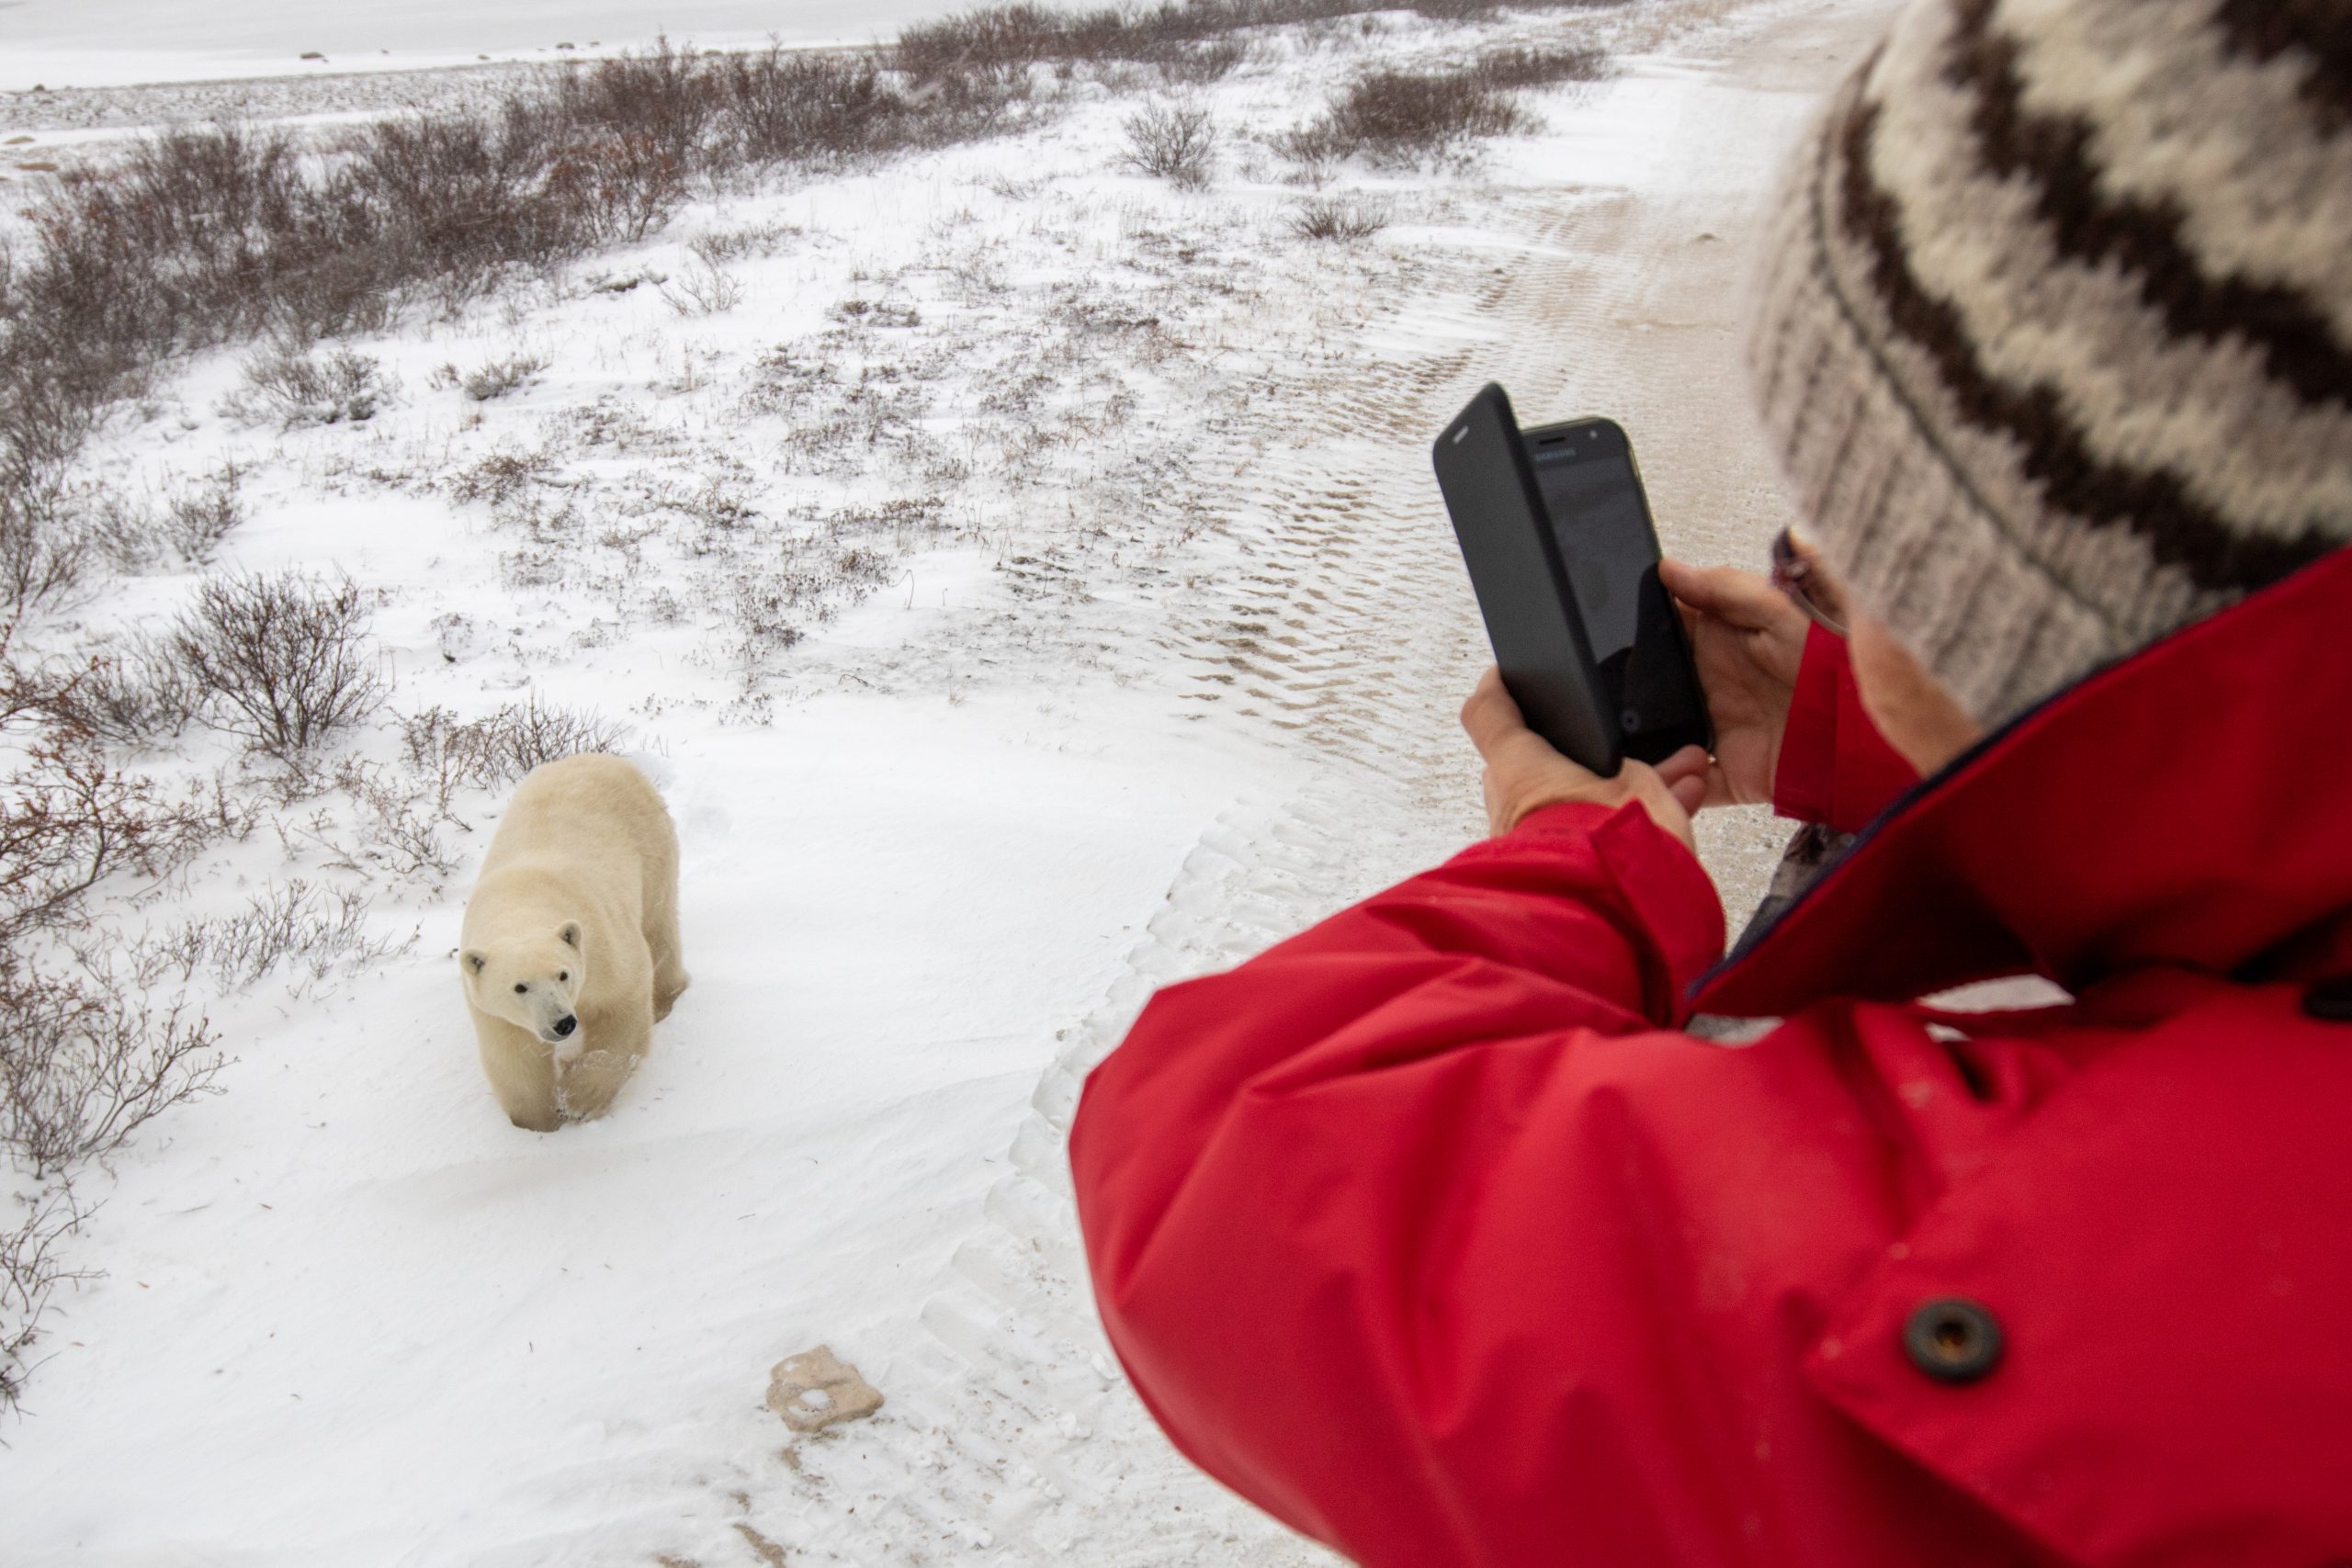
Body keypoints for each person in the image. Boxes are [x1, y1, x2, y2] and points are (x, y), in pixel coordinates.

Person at [1069, 0, 2352, 1561]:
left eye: (1844, 551)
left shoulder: (2223, 1277)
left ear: (2029, 602)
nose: (1799, 570)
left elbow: (1227, 1163)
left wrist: (1573, 860)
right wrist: (1874, 732)